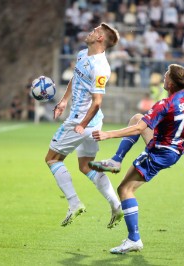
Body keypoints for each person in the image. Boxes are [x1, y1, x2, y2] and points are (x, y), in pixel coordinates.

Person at [89, 64, 184, 254]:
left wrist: (108, 134)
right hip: (172, 147)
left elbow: (138, 130)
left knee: (124, 189)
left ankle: (134, 239)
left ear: (170, 82)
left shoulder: (164, 105)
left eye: (166, 75)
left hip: (161, 152)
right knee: (137, 118)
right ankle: (116, 159)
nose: (163, 77)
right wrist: (179, 136)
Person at [45, 22, 123, 228]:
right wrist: (63, 100)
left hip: (82, 120)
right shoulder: (82, 55)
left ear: (100, 39)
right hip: (92, 123)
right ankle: (116, 205)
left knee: (52, 159)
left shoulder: (101, 67)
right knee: (85, 166)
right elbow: (76, 78)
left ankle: (74, 203)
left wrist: (81, 125)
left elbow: (97, 102)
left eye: (96, 31)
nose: (91, 31)